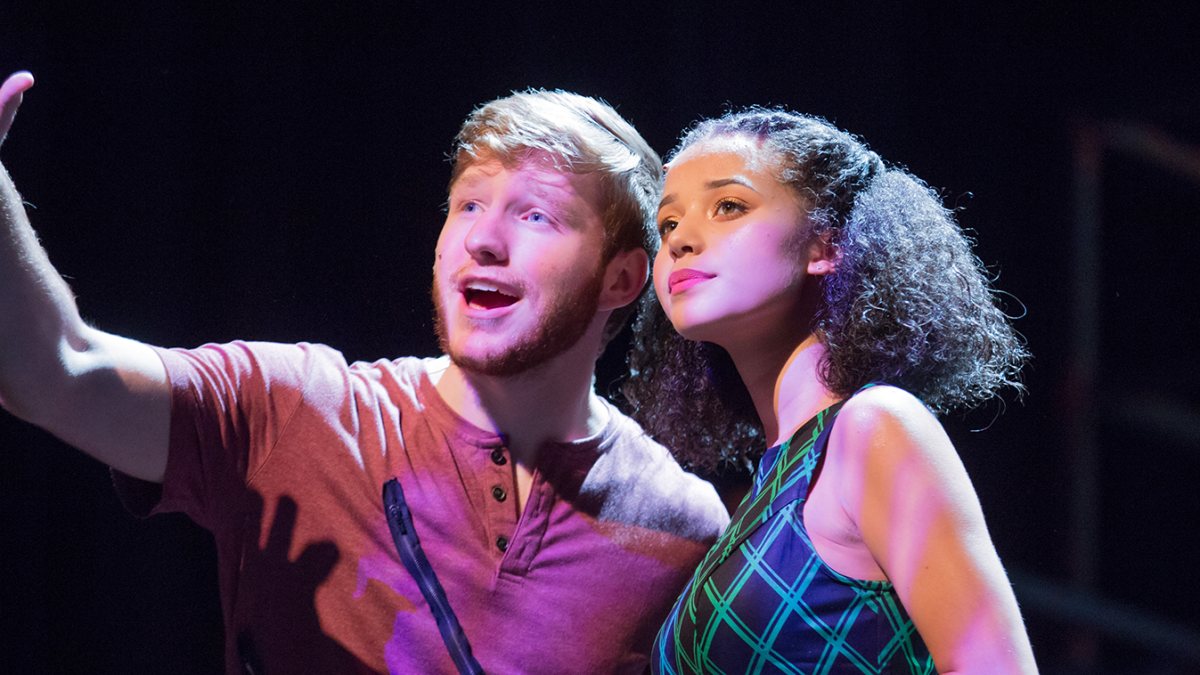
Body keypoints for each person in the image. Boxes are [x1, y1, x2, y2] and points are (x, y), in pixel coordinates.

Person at [0, 71, 728, 675]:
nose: (483, 238)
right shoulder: (296, 408)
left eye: (536, 216)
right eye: (468, 203)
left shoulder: (683, 529)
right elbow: (51, 369)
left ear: (623, 279)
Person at [623, 109, 1039, 673]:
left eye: (728, 207)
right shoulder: (769, 487)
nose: (681, 241)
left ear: (828, 245)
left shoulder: (874, 427)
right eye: (668, 223)